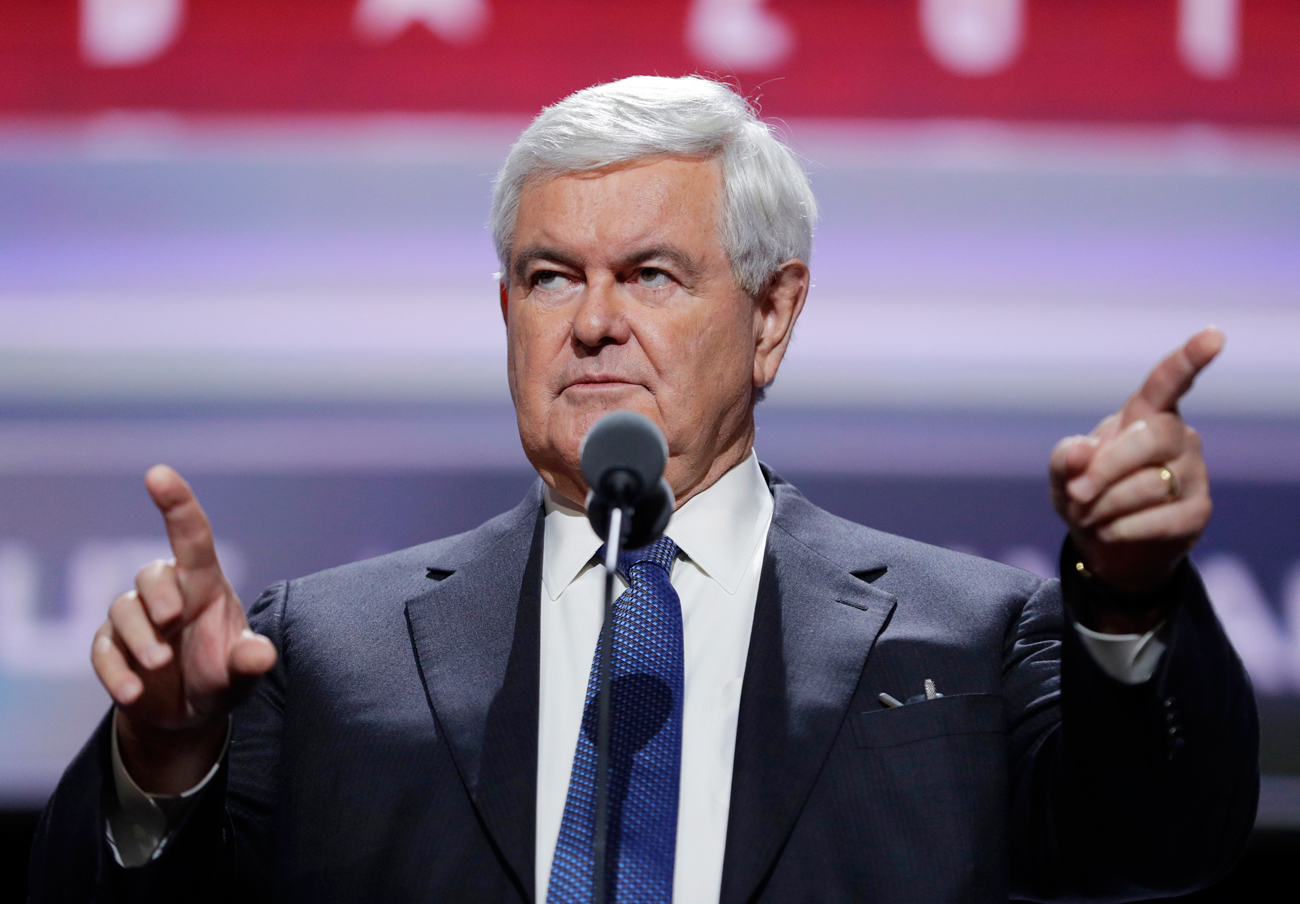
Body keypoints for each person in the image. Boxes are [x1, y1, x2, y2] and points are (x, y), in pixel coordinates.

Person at [30, 76, 1256, 903]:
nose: (597, 322)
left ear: (773, 316)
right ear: (505, 312)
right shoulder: (326, 649)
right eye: (552, 276)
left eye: (655, 274)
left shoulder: (968, 636)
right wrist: (163, 755)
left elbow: (1158, 839)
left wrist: (1127, 599)